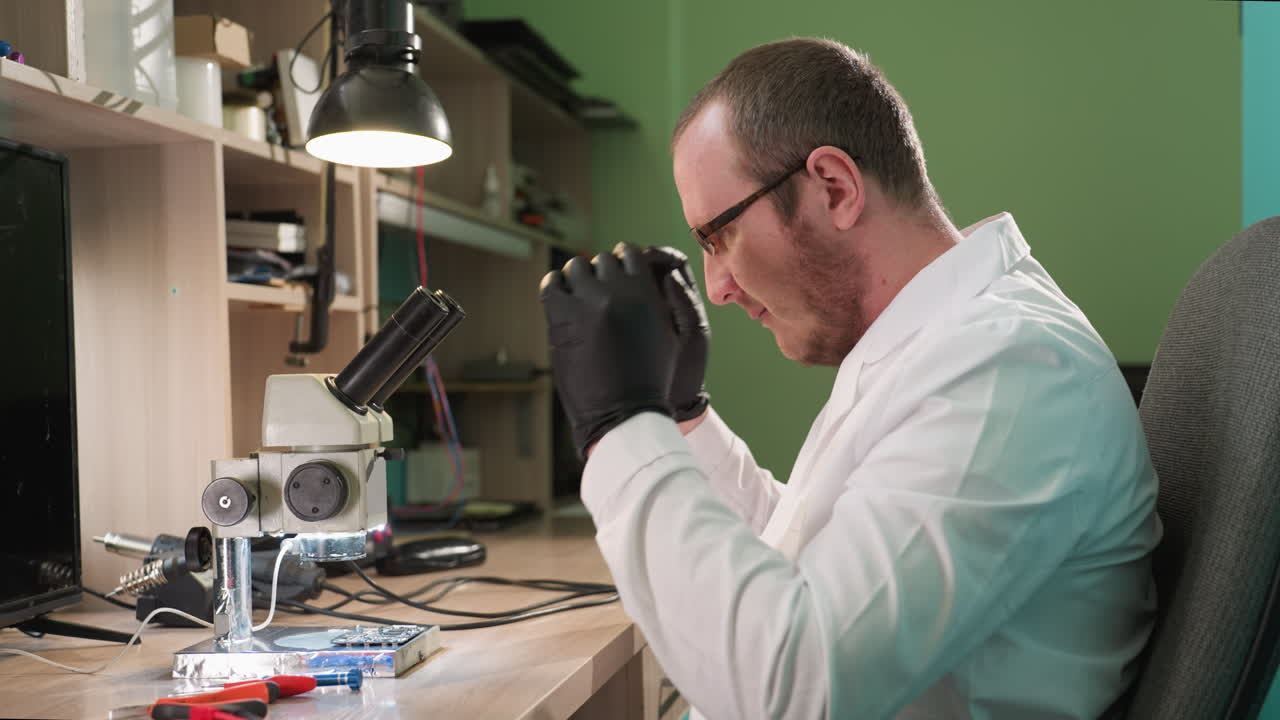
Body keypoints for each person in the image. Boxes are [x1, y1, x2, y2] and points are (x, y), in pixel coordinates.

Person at [539, 37, 1161, 719]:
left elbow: (797, 688)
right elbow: (815, 562)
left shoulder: (1008, 371)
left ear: (834, 188)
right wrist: (681, 415)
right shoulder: (940, 344)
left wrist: (620, 427)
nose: (715, 286)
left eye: (719, 235)